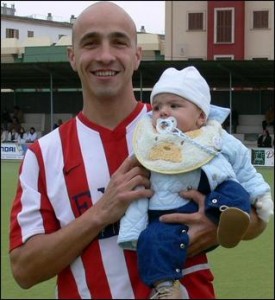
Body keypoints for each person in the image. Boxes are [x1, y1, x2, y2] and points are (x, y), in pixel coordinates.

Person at [9, 2, 272, 299]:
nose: (105, 55)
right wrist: (100, 213)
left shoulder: (184, 126)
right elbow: (24, 270)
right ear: (73, 56)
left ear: (137, 56)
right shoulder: (43, 154)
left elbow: (256, 219)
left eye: (119, 42)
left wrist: (214, 224)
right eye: (91, 43)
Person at [118, 67, 273, 298]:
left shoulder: (215, 137)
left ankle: (228, 220)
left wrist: (261, 197)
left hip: (213, 200)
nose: (163, 112)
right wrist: (134, 226)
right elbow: (138, 183)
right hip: (164, 216)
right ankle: (166, 286)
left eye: (174, 105)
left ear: (201, 116)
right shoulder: (148, 142)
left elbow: (243, 167)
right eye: (157, 106)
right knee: (151, 240)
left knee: (235, 192)